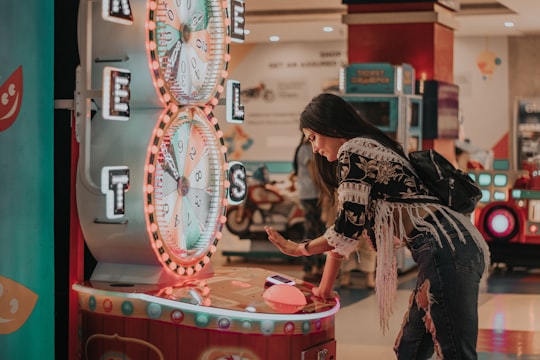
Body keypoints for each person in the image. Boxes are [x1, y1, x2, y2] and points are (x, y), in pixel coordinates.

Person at [265, 93, 490, 359]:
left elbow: (345, 229)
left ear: (332, 128)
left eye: (313, 137)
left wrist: (299, 248)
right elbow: (348, 229)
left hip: (445, 249)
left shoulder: (353, 151)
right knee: (411, 349)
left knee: (454, 352)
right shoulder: (370, 148)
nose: (313, 148)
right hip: (449, 246)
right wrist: (324, 289)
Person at [291, 137, 326, 281]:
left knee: (317, 230)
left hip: (310, 194)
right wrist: (324, 191)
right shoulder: (306, 150)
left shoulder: (303, 149)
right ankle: (309, 267)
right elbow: (313, 174)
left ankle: (317, 267)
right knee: (312, 230)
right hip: (311, 194)